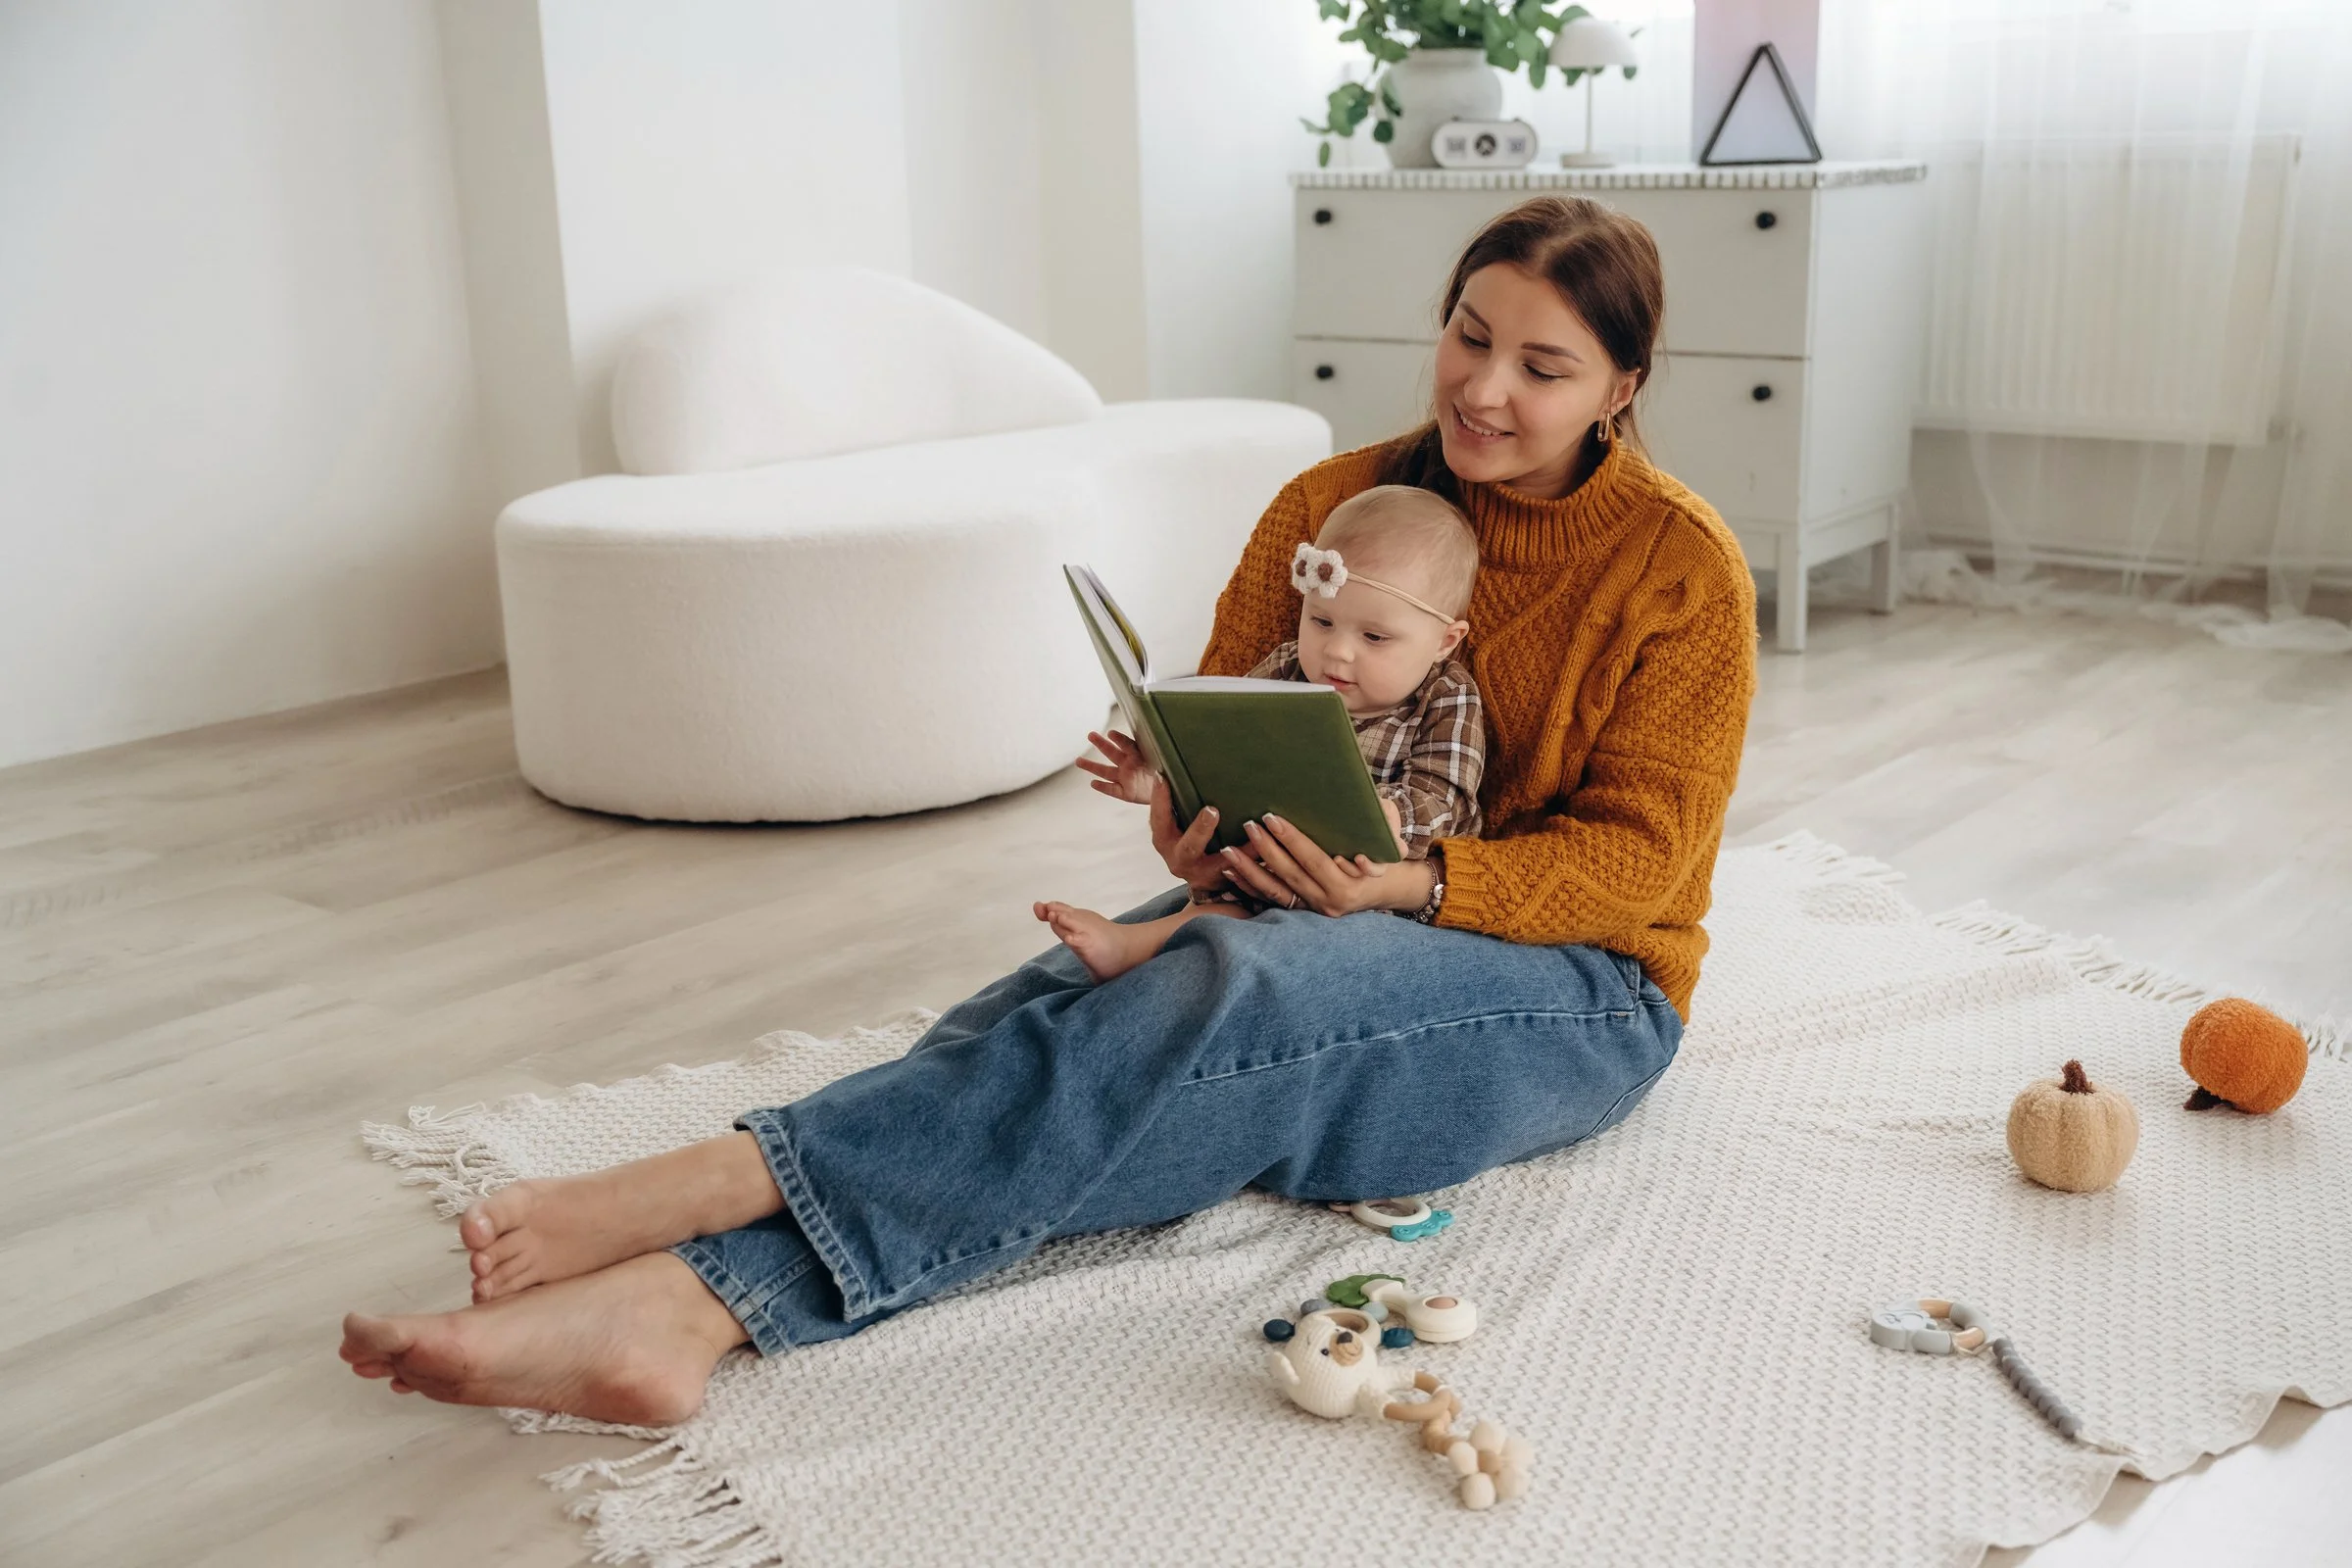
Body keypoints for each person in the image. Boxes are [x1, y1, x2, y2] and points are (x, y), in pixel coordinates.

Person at [339, 195, 1760, 1427]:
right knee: (1076, 1005)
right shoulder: (1333, 506)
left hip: (1581, 990)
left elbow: (1646, 863)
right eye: (1469, 334)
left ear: (1623, 386)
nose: (1483, 388)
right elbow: (1224, 743)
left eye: (1544, 365)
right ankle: (690, 1312)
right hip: (1299, 909)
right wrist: (1189, 827)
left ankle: (724, 1186)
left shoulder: (1681, 569)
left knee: (1231, 994)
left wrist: (1397, 889)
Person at [1036, 482, 1486, 984]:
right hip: (1259, 878)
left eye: (1374, 637)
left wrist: (1393, 817)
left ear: (1446, 641)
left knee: (1258, 949)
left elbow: (1447, 800)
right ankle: (1131, 949)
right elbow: (1223, 761)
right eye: (1320, 620)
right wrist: (1165, 781)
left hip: (1373, 906)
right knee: (1221, 920)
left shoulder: (1446, 696)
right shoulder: (1287, 670)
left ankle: (1151, 957)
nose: (1337, 652)